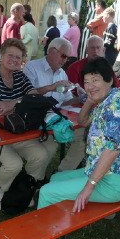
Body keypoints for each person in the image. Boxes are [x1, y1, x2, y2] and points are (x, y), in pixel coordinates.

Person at [38, 57, 120, 212]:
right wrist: (90, 100)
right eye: (86, 82)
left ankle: (47, 232)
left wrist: (88, 188)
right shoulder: (106, 100)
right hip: (103, 172)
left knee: (47, 192)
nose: (90, 86)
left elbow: (112, 150)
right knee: (55, 178)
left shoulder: (116, 107)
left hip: (115, 181)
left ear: (109, 80)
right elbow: (84, 121)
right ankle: (60, 220)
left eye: (95, 80)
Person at [0, 38, 54, 210]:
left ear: (22, 61)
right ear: (1, 56)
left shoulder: (20, 76)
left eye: (18, 57)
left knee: (41, 155)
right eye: (10, 55)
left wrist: (11, 104)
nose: (14, 60)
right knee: (14, 164)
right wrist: (21, 103)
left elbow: (34, 98)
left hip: (15, 129)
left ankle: (23, 187)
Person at [24, 38, 85, 171]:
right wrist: (50, 87)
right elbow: (27, 97)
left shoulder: (62, 73)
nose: (65, 60)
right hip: (36, 120)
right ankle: (33, 181)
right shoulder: (31, 67)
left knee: (85, 137)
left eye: (68, 58)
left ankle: (60, 174)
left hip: (56, 121)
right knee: (49, 149)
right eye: (63, 55)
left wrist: (81, 98)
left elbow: (66, 100)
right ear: (51, 51)